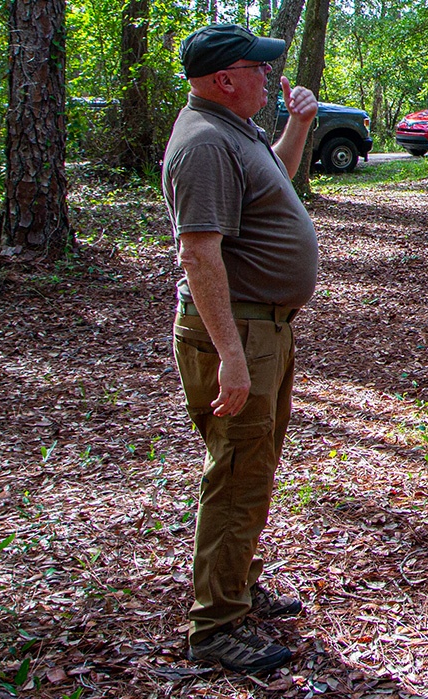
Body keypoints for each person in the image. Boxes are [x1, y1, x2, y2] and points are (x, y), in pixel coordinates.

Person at [162, 23, 320, 672]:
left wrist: (301, 125)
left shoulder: (234, 129)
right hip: (240, 333)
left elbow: (271, 182)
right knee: (234, 476)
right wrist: (229, 352)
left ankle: (235, 586)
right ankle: (215, 627)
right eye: (256, 68)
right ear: (225, 80)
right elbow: (198, 254)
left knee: (252, 468)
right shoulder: (202, 143)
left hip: (265, 330)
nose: (265, 75)